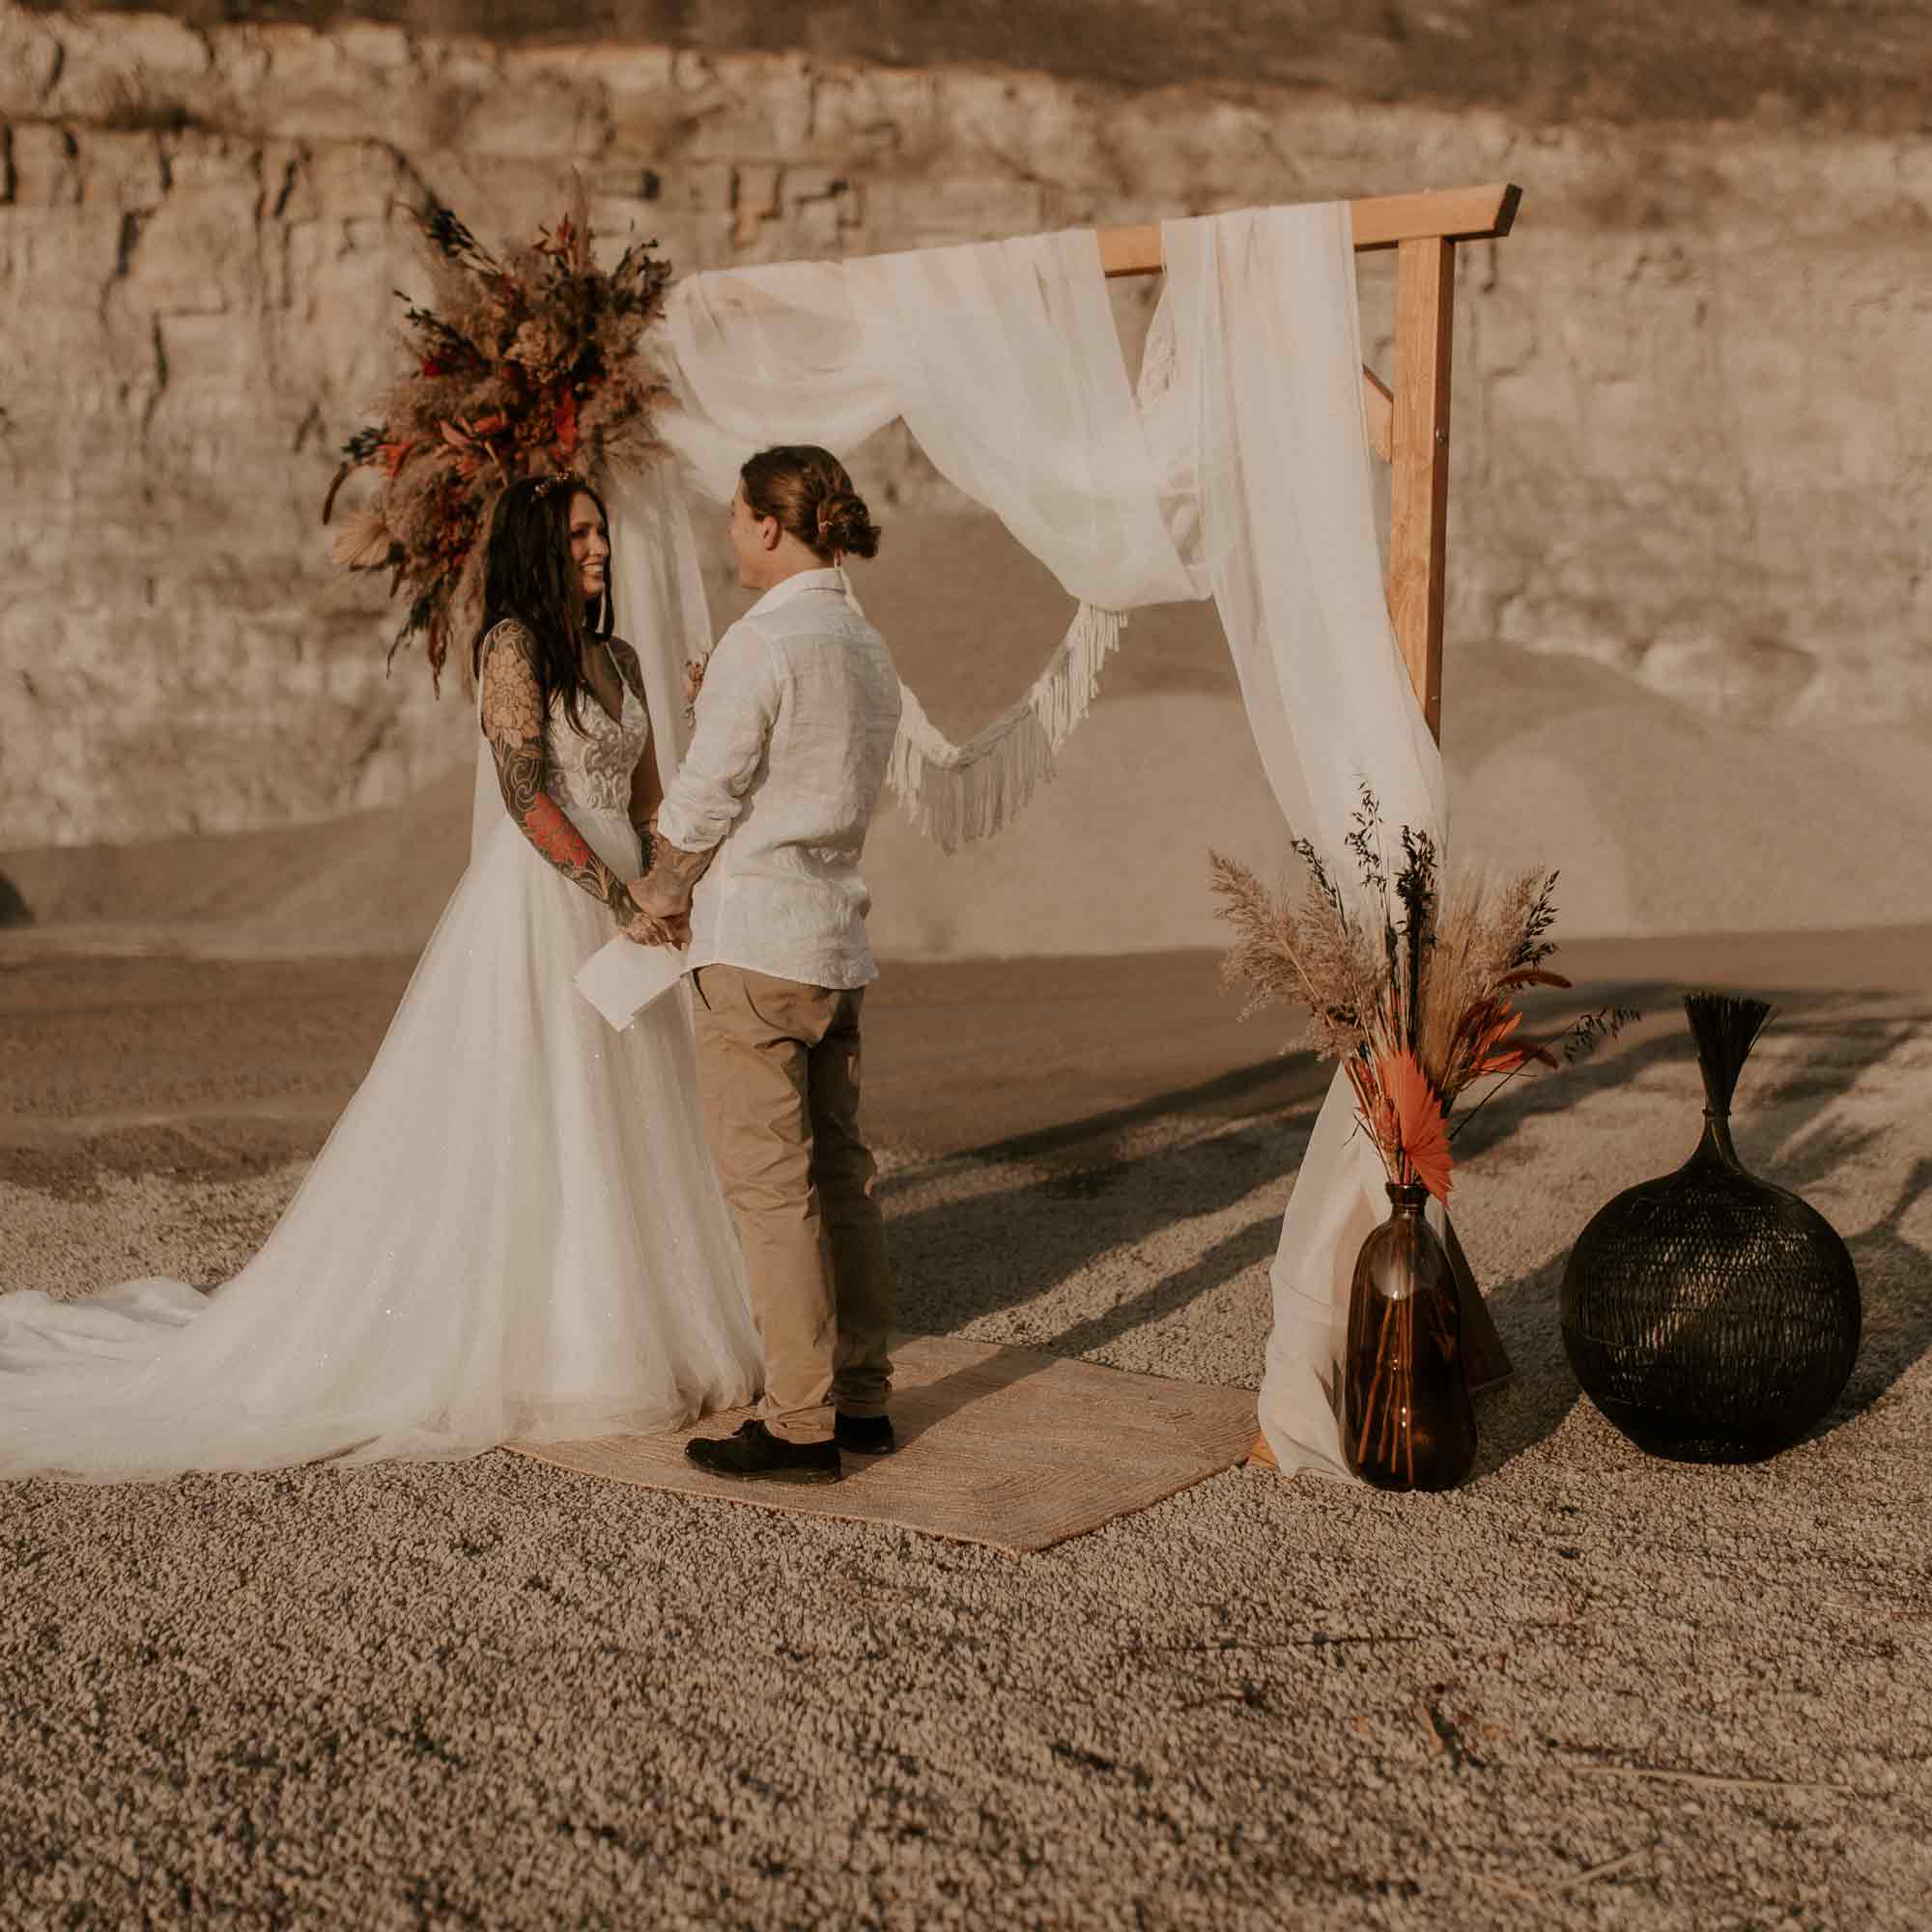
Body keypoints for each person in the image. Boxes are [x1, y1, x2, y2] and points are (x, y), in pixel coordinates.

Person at [0, 476, 763, 1481]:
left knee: (633, 1121)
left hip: (623, 906)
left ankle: (639, 1320)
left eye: (600, 532)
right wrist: (613, 897)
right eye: (579, 533)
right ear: (540, 545)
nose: (599, 549)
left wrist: (670, 882)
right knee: (548, 1110)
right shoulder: (512, 646)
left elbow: (650, 796)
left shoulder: (618, 656)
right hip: (543, 905)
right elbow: (524, 791)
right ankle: (564, 1344)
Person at [633, 446, 902, 1487]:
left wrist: (662, 884)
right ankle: (865, 1397)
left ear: (764, 526)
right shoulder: (864, 643)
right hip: (835, 939)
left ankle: (797, 1424)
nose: (726, 531)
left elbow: (707, 796)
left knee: (768, 1190)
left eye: (734, 514)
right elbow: (810, 767)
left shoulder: (764, 638)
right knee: (842, 1178)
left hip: (752, 941)